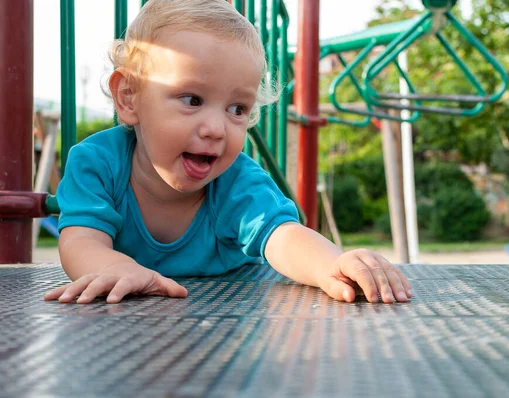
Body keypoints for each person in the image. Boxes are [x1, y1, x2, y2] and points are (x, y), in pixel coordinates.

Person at [44, 0, 413, 305]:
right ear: (129, 97)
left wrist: (332, 264)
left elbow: (282, 234)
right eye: (192, 100)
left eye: (237, 109)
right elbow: (80, 239)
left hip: (232, 316)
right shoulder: (97, 163)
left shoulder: (236, 181)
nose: (216, 128)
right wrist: (112, 267)